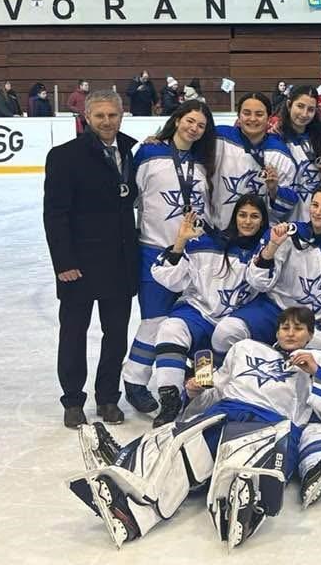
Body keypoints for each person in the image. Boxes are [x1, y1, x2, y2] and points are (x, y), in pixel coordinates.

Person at [68, 307, 321, 549]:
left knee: (245, 462)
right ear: (276, 332)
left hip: (274, 423)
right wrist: (195, 391)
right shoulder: (244, 349)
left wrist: (316, 373)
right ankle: (128, 507)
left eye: (298, 329)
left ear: (311, 335)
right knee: (178, 448)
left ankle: (244, 508)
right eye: (285, 327)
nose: (290, 333)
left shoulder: (319, 360)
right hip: (226, 411)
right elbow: (212, 395)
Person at [43, 90, 139, 428]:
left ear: (121, 115)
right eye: (99, 116)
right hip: (78, 265)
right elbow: (55, 214)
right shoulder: (64, 156)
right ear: (86, 117)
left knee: (116, 335)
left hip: (119, 263)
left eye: (112, 115)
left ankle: (108, 398)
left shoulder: (129, 150)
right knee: (74, 333)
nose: (107, 122)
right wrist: (64, 263)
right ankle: (72, 400)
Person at [122, 100, 216, 415]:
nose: (194, 128)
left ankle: (193, 380)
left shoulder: (203, 162)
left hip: (196, 255)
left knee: (199, 319)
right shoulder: (148, 153)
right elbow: (127, 197)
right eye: (190, 121)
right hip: (155, 251)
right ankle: (134, 381)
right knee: (155, 321)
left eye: (201, 125)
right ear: (177, 120)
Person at [212, 185, 321, 357]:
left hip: (312, 324)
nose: (318, 212)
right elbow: (257, 281)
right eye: (314, 205)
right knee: (225, 332)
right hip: (273, 310)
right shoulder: (287, 233)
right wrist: (272, 245)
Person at [149, 197, 268, 426]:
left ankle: (197, 401)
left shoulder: (265, 250)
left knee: (204, 386)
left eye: (254, 216)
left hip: (233, 322)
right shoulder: (204, 242)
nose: (247, 221)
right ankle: (170, 401)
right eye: (243, 215)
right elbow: (168, 279)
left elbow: (266, 284)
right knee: (170, 328)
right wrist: (180, 242)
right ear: (234, 217)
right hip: (198, 314)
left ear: (263, 220)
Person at [210, 92, 298, 230]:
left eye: (259, 114)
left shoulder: (280, 153)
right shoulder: (219, 138)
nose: (252, 119)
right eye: (246, 113)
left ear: (269, 118)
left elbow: (286, 208)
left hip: (261, 239)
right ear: (238, 116)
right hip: (220, 232)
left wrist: (274, 190)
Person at [277, 84, 321, 221]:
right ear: (289, 105)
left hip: (318, 219)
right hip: (286, 220)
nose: (304, 114)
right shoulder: (276, 138)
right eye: (300, 106)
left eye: (310, 109)